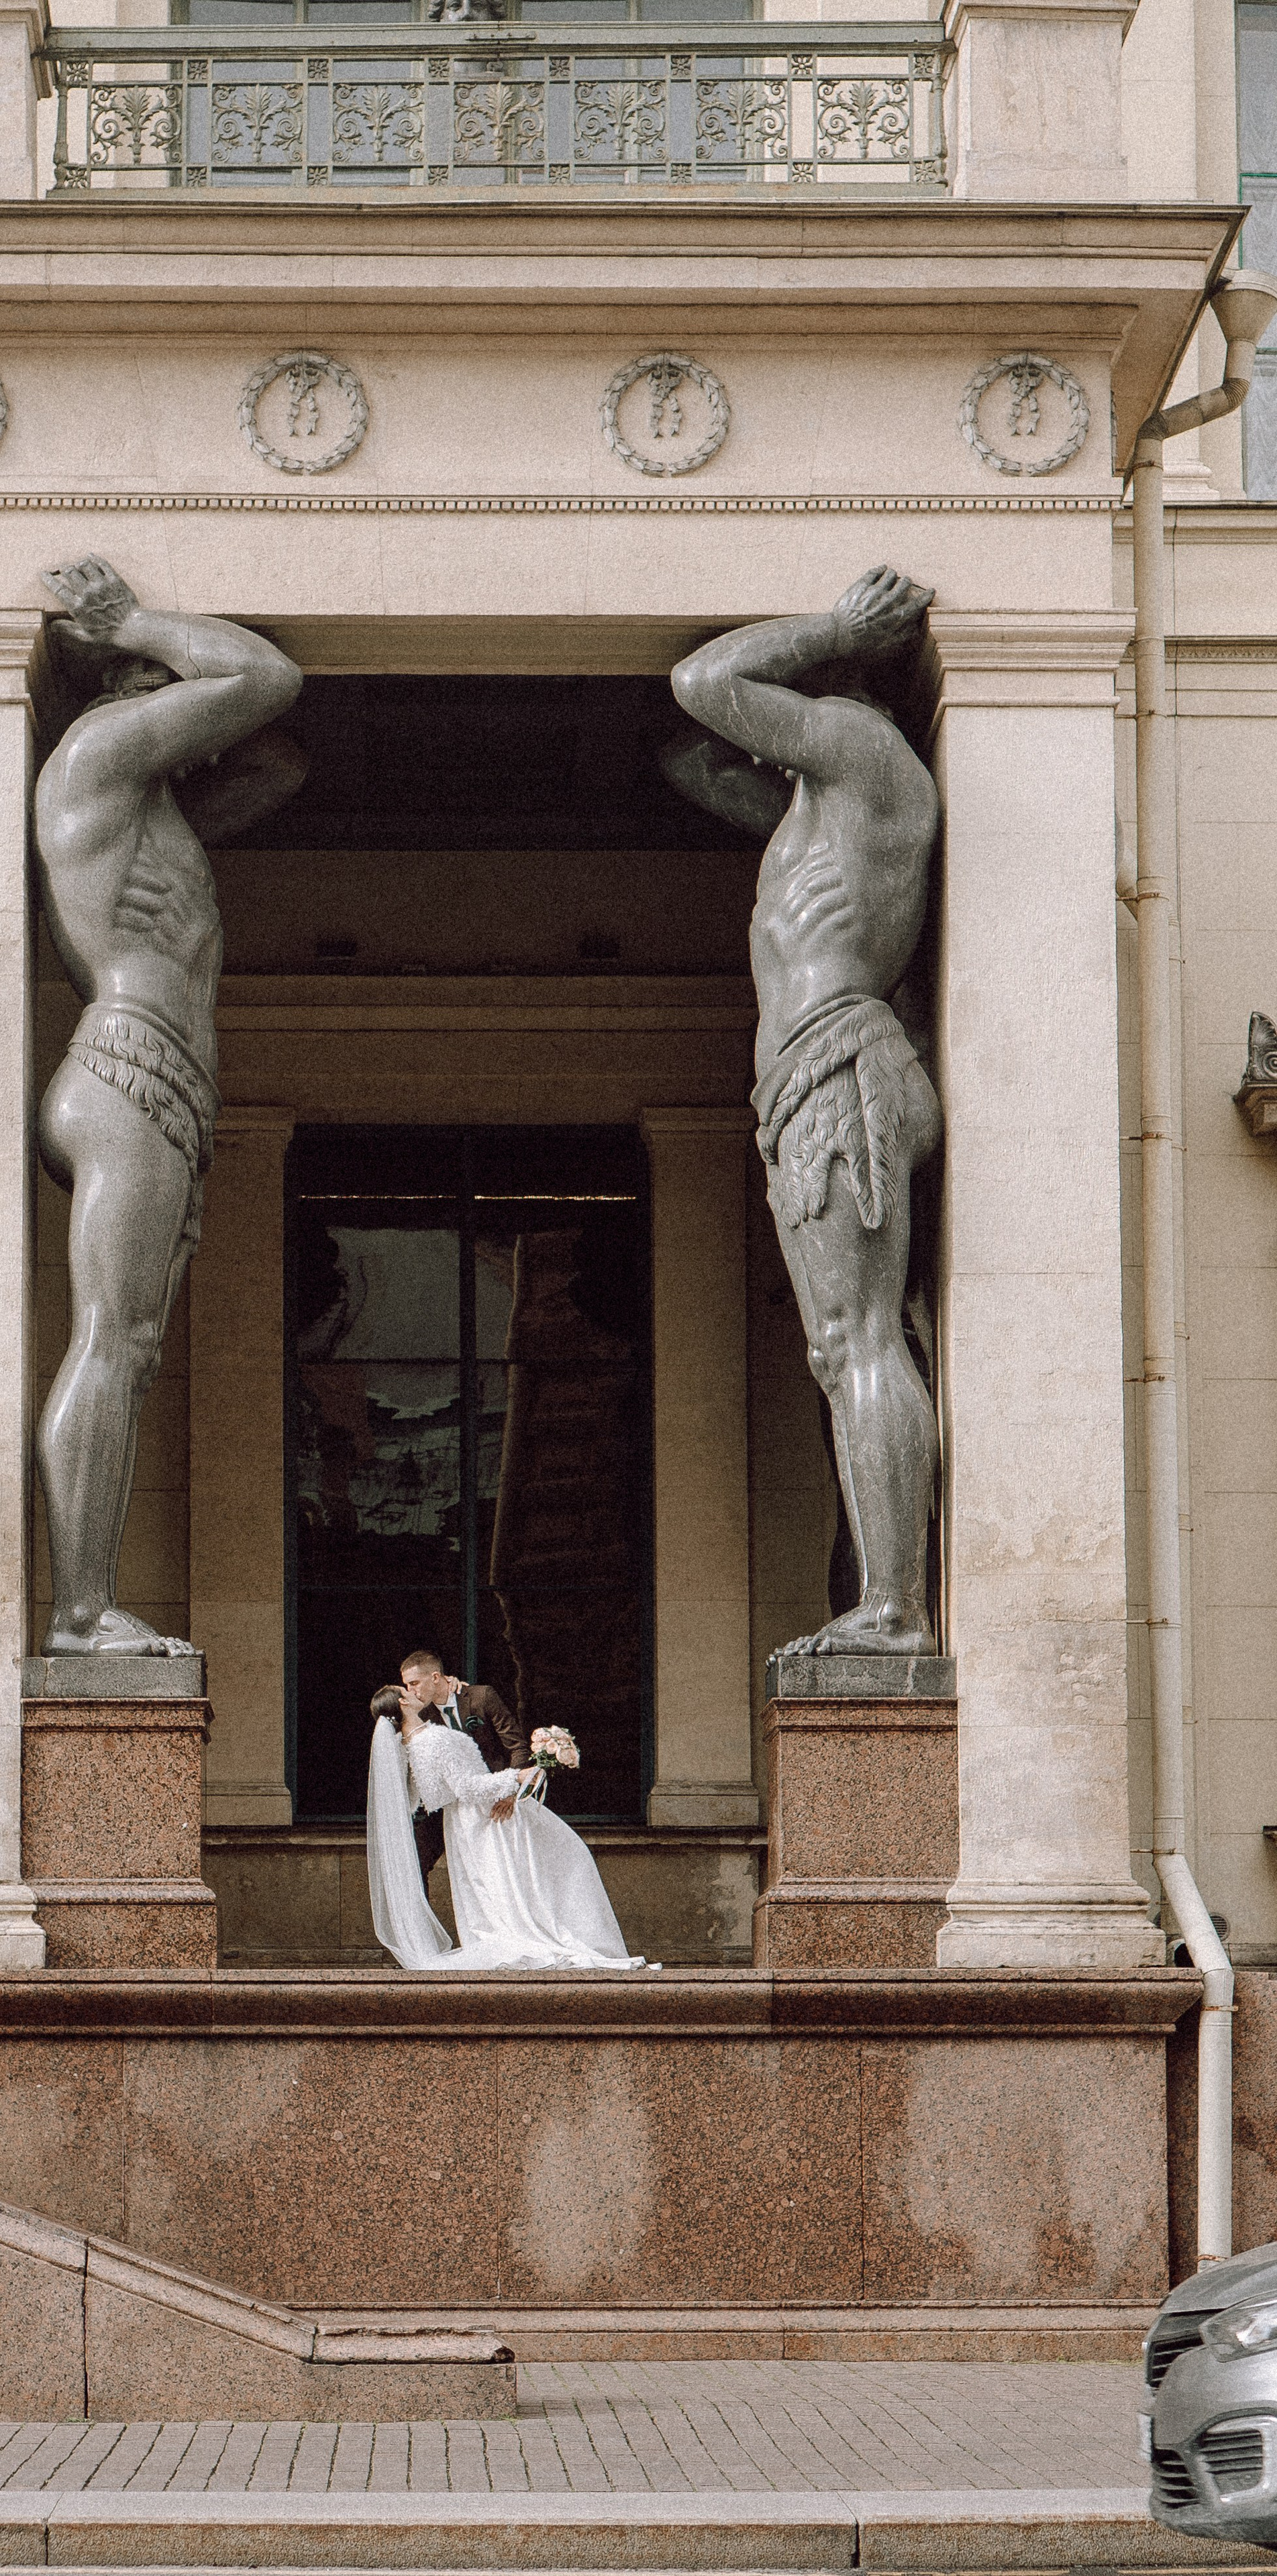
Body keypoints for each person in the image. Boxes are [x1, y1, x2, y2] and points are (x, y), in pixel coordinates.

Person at [664, 566, 941, 1657]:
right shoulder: (821, 802)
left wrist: (829, 628)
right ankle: (884, 1594)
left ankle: (895, 1608)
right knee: (845, 1347)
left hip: (837, 1064)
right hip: (813, 1078)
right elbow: (689, 757)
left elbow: (703, 684)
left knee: (856, 1338)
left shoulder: (864, 751)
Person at [34, 555, 304, 1654]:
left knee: (132, 1347)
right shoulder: (93, 756)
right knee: (114, 1339)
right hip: (126, 1068)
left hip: (165, 1085)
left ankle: (86, 1606)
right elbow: (265, 679)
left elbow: (276, 761)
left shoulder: (151, 808)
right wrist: (138, 622)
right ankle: (80, 1613)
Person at [364, 1684, 652, 1972]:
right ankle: (550, 1935)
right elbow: (468, 1787)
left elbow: (433, 1795)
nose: (414, 1692)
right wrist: (517, 1777)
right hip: (487, 1816)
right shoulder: (433, 1739)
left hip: (464, 1823)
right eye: (407, 1691)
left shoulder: (410, 1745)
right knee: (556, 1862)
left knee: (506, 1882)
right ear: (404, 1703)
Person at [397, 1647, 527, 1886]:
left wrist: (510, 1791)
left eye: (414, 1683)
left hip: (497, 1798)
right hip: (450, 1804)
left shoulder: (482, 1697)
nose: (410, 1691)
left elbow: (517, 1746)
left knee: (500, 1875)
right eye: (407, 1685)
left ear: (436, 1677)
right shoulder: (420, 1715)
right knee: (414, 1861)